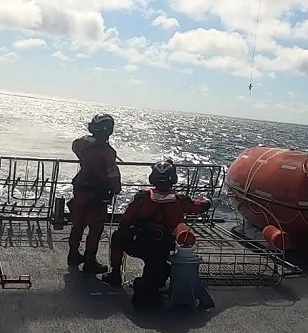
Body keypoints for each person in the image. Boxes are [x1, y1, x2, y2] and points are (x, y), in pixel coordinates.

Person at [100, 159, 211, 309]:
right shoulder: (180, 202)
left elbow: (125, 222)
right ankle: (146, 286)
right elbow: (198, 208)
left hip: (138, 243)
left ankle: (115, 274)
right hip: (161, 248)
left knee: (117, 237)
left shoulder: (142, 199)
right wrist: (208, 202)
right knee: (157, 276)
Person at [67, 113, 122, 273]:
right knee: (95, 228)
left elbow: (75, 147)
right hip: (97, 194)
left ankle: (73, 254)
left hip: (80, 188)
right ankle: (90, 261)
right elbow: (112, 174)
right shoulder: (107, 151)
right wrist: (116, 189)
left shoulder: (81, 143)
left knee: (77, 224)